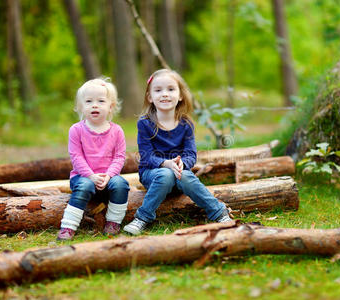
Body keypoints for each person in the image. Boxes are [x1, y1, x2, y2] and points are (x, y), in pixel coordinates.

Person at [123, 69, 232, 235]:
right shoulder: (145, 124)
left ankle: (219, 213)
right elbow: (146, 156)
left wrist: (182, 164)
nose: (165, 94)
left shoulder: (186, 124)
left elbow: (191, 155)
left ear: (180, 95)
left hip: (180, 173)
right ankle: (142, 218)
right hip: (151, 174)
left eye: (170, 89)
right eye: (158, 90)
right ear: (150, 97)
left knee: (186, 175)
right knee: (166, 175)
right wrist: (166, 164)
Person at [57, 78, 130, 240]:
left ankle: (113, 222)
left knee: (121, 184)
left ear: (111, 106)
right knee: (85, 185)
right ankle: (68, 226)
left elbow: (119, 157)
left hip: (108, 177)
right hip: (83, 177)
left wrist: (109, 175)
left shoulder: (117, 131)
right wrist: (91, 175)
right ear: (81, 107)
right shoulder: (76, 130)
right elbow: (76, 157)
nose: (94, 105)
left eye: (101, 101)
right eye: (89, 101)